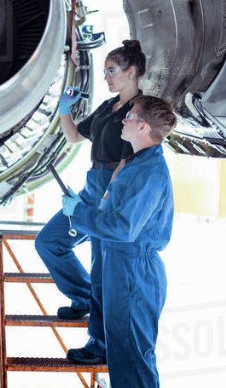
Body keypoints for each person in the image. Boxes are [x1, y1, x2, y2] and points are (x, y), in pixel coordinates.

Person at [61, 95, 177, 388]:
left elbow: (123, 228)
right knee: (124, 363)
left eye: (129, 117)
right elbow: (115, 215)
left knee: (135, 363)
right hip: (119, 267)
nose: (123, 121)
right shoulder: (135, 163)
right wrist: (86, 209)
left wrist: (78, 213)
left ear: (143, 127)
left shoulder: (148, 172)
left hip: (133, 272)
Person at [35, 40, 146, 366]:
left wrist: (109, 197)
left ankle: (99, 344)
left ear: (132, 71)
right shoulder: (107, 107)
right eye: (105, 72)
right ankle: (81, 295)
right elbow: (74, 137)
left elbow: (132, 158)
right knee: (49, 242)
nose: (107, 78)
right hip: (91, 188)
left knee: (102, 272)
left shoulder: (139, 110)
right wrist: (64, 110)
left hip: (112, 193)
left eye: (112, 71)